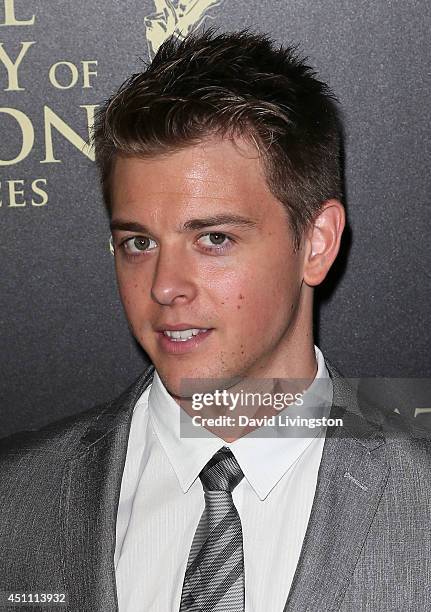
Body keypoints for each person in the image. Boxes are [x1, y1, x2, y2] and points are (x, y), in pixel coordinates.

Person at [0, 29, 430, 612]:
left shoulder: (419, 497)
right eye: (138, 243)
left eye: (214, 238)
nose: (164, 285)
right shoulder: (15, 497)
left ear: (317, 243)